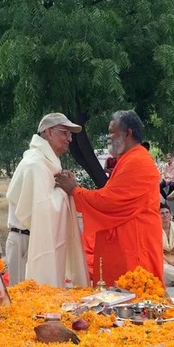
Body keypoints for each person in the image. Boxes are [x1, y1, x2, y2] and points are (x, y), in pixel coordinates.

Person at [56, 110, 164, 285]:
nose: (108, 137)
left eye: (112, 132)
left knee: (137, 300)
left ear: (128, 133)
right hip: (126, 245)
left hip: (135, 247)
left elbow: (109, 201)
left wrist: (75, 191)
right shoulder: (129, 159)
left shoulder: (137, 161)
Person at [5, 113, 89, 288]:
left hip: (41, 242)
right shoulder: (34, 163)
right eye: (64, 133)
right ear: (49, 133)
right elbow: (42, 210)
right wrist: (67, 189)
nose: (69, 139)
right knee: (27, 303)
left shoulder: (48, 163)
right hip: (26, 243)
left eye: (70, 134)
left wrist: (66, 186)